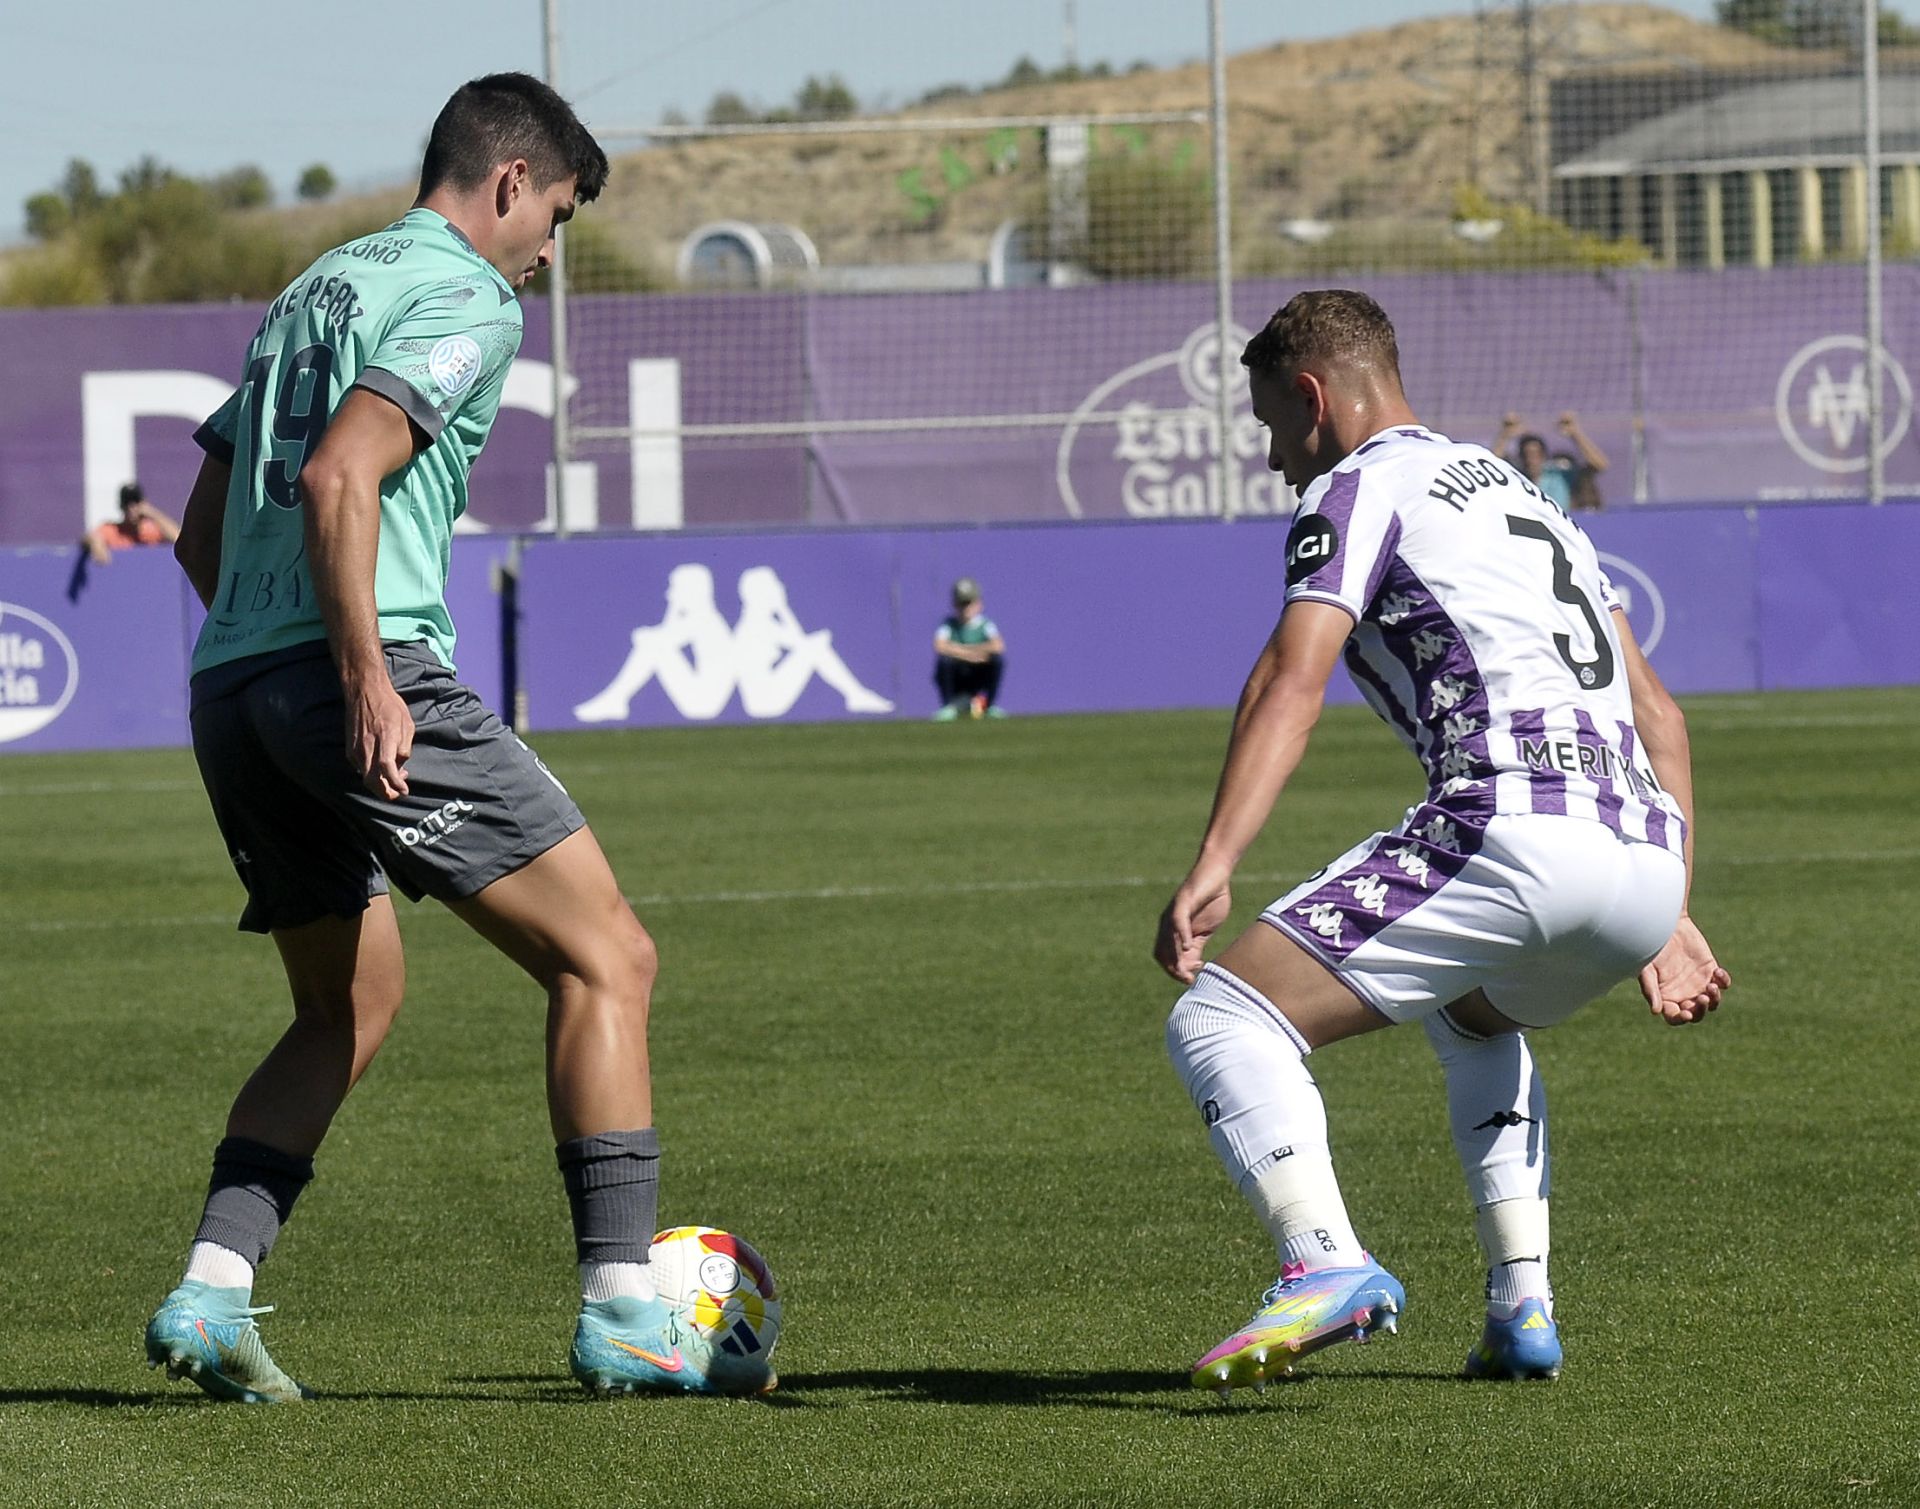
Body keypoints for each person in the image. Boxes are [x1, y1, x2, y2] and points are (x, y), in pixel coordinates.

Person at [143, 73, 767, 1404]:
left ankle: (210, 1289)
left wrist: (278, 672)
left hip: (233, 684)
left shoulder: (313, 284)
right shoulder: (470, 295)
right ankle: (623, 1313)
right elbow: (339, 473)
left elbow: (205, 532)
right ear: (505, 183)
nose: (549, 251)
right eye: (553, 214)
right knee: (610, 957)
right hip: (358, 672)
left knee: (345, 1007)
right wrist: (361, 679)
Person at [1154, 291, 1729, 1396]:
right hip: (1643, 850)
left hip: (1518, 820)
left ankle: (1322, 1264)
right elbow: (1661, 715)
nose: (1275, 457)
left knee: (1224, 1016)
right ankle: (1523, 1306)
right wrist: (1673, 910)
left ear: (1313, 397)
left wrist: (1216, 858)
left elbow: (1292, 675)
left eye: (1273, 422)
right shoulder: (1532, 498)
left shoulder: (1356, 489)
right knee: (1473, 1018)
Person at [1493, 411, 1608, 514]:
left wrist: (1575, 434)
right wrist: (1505, 436)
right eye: (1526, 454)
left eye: (1536, 454)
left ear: (1544, 456)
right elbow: (1491, 465)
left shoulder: (1558, 474)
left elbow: (1600, 465)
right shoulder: (1517, 476)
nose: (1531, 459)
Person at [932, 577, 1006, 719]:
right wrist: (971, 655)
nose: (965, 608)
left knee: (997, 661)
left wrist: (957, 649)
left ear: (979, 604)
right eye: (961, 604)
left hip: (978, 674)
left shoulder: (985, 625)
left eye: (969, 603)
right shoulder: (948, 625)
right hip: (958, 674)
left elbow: (998, 646)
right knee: (945, 661)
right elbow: (940, 646)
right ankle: (949, 707)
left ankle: (989, 706)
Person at [82, 481, 180, 565]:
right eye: (127, 503)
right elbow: (91, 537)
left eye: (135, 502)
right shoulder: (113, 530)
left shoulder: (152, 531)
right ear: (121, 506)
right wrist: (95, 543)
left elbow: (178, 538)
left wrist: (152, 513)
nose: (131, 508)